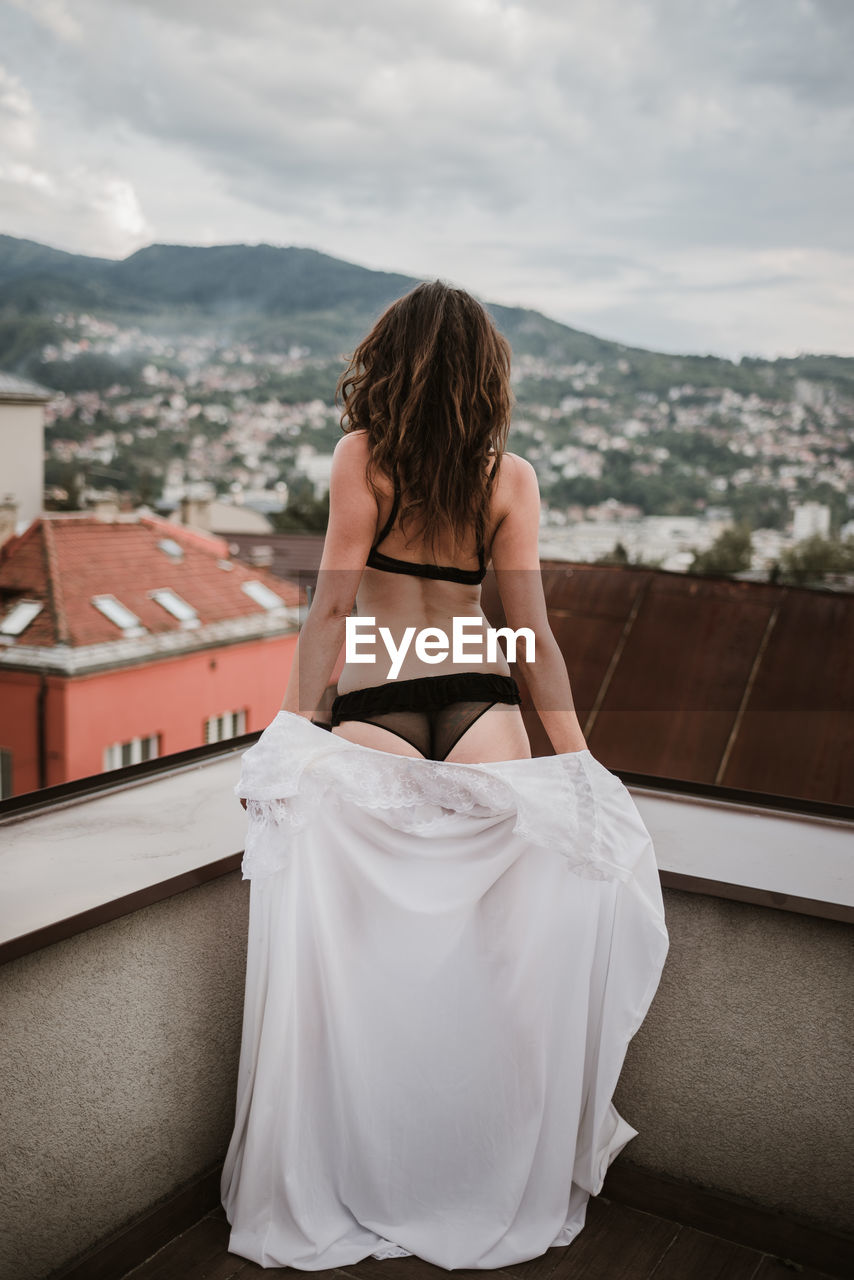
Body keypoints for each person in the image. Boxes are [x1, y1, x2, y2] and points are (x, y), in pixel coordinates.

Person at [221, 282, 669, 1270]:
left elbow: (332, 616)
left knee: (371, 962)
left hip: (377, 708)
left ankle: (380, 1157)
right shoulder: (508, 478)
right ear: (485, 378)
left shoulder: (360, 460)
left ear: (391, 362)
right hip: (479, 705)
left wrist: (291, 734)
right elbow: (531, 638)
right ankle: (476, 1164)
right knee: (495, 961)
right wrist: (577, 762)